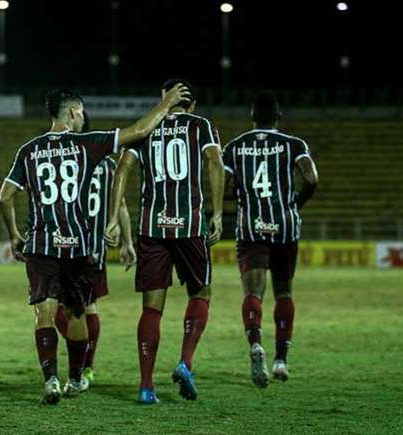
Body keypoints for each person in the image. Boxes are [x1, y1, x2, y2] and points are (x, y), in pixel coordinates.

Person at [0, 84, 190, 404]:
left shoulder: (28, 150)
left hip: (42, 243)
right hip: (77, 245)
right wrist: (167, 103)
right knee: (77, 314)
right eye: (81, 112)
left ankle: (51, 381)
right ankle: (76, 377)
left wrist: (15, 235)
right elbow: (140, 130)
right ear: (74, 112)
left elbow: (5, 197)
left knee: (43, 314)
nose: (83, 117)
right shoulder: (89, 144)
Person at [106, 79, 225, 404]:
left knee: (152, 308)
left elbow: (122, 169)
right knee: (201, 291)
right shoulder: (201, 126)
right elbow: (215, 162)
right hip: (190, 225)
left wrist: (114, 217)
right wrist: (216, 214)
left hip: (151, 227)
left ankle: (146, 387)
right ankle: (185, 362)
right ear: (193, 105)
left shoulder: (146, 127)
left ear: (165, 98)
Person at [222, 91, 318, 387]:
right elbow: (312, 178)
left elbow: (224, 188)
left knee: (253, 292)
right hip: (285, 226)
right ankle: (280, 361)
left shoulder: (235, 147)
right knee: (284, 292)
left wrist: (239, 197)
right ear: (278, 117)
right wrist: (293, 206)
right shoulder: (293, 144)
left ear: (252, 117)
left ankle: (255, 345)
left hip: (251, 227)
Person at [53, 111, 136, 391]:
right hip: (95, 249)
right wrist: (127, 242)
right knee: (88, 307)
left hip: (67, 247)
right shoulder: (109, 164)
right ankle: (86, 366)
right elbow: (121, 206)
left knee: (61, 310)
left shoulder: (65, 159)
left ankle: (81, 363)